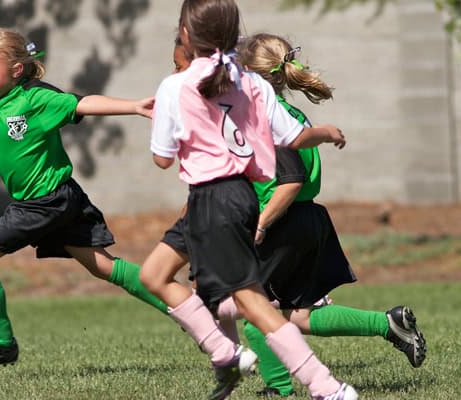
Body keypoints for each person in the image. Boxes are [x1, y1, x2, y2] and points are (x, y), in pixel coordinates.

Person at [0, 27, 164, 370]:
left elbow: (82, 103)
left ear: (17, 70)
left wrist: (134, 106)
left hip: (46, 201)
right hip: (58, 199)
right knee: (103, 266)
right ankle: (185, 308)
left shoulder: (35, 98)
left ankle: (0, 343)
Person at [141, 1, 357, 399]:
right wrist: (326, 131)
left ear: (186, 34)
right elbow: (294, 137)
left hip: (213, 198)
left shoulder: (176, 86)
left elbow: (162, 159)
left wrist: (171, 121)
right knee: (155, 275)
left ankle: (327, 387)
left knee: (252, 302)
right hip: (237, 197)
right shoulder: (251, 82)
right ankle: (227, 357)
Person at [235, 32, 427, 398]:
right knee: (299, 315)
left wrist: (260, 223)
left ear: (250, 76)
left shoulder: (267, 118)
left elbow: (290, 182)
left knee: (255, 311)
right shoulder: (288, 112)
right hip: (306, 219)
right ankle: (388, 324)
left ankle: (279, 390)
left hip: (282, 223)